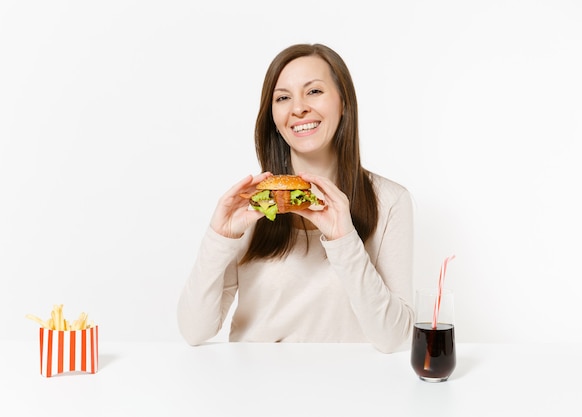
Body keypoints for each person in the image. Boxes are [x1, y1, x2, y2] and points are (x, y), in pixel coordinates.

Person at [177, 43, 414, 353]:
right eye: (283, 97)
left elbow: (395, 339)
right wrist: (219, 237)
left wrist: (344, 240)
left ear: (343, 103)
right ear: (273, 116)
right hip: (255, 389)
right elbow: (195, 330)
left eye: (314, 91)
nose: (298, 108)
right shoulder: (251, 203)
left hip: (352, 392)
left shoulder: (390, 201)